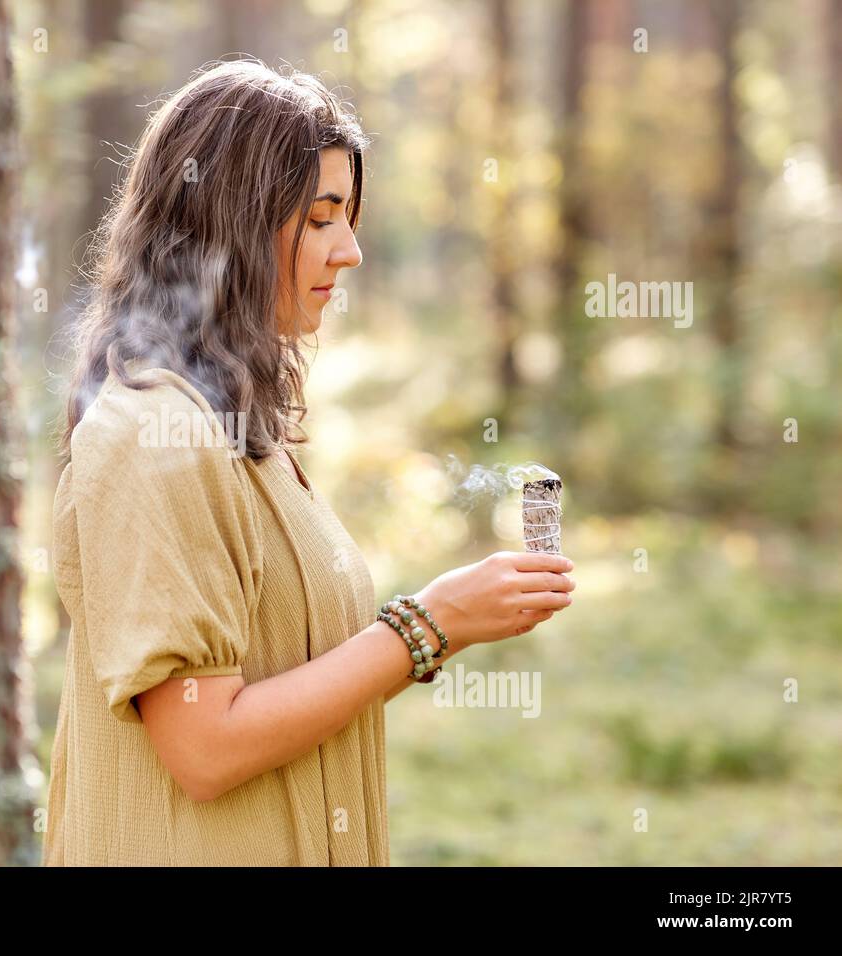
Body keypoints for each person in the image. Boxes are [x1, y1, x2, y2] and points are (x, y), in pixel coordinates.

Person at [41, 59, 576, 866]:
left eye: (349, 218)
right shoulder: (153, 437)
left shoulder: (232, 426)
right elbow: (204, 748)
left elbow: (298, 676)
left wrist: (454, 620)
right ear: (231, 223)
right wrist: (429, 624)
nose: (351, 250)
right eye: (322, 218)